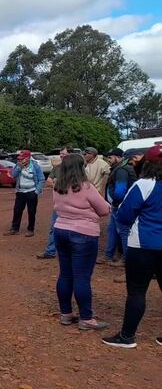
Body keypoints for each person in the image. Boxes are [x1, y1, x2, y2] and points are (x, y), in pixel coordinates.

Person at [102, 145, 162, 349]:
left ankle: (127, 336)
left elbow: (126, 215)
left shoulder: (144, 184)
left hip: (143, 245)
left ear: (147, 163)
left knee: (137, 291)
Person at [52, 153, 111, 331]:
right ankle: (86, 318)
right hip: (83, 234)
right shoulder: (86, 187)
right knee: (82, 276)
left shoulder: (58, 186)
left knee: (65, 274)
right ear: (81, 167)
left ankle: (66, 313)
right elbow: (104, 209)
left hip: (61, 229)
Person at [98, 148, 137, 265]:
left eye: (110, 157)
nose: (108, 160)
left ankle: (127, 260)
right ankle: (108, 255)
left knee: (124, 232)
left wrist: (116, 203)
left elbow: (120, 191)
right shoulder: (119, 168)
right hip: (117, 206)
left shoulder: (121, 170)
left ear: (119, 157)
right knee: (112, 231)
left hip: (121, 206)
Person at [37, 147, 69, 259]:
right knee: (54, 227)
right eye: (60, 154)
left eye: (64, 154)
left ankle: (68, 251)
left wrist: (56, 181)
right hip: (58, 203)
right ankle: (50, 251)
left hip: (72, 203)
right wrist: (57, 182)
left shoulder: (75, 168)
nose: (61, 156)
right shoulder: (57, 168)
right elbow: (49, 181)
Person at [4, 150, 45, 237]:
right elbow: (13, 175)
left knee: (31, 211)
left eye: (22, 159)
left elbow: (41, 179)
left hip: (32, 191)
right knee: (17, 210)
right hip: (20, 191)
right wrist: (19, 167)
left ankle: (30, 229)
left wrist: (37, 191)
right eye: (20, 159)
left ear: (28, 158)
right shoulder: (18, 165)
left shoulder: (35, 166)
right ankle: (15, 229)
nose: (21, 160)